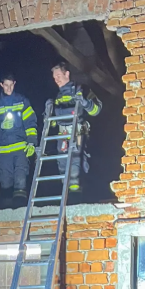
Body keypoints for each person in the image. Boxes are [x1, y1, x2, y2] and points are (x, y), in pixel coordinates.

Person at [0, 74, 39, 207]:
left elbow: (31, 124)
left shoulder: (22, 102)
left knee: (20, 180)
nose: (9, 88)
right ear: (1, 85)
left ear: (15, 83)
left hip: (21, 150)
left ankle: (20, 212)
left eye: (11, 85)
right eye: (6, 85)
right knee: (5, 183)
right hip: (4, 152)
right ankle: (7, 214)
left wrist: (32, 143)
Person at [49, 62, 102, 194]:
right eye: (54, 77)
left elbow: (96, 110)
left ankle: (78, 194)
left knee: (77, 164)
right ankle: (66, 194)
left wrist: (85, 102)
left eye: (59, 75)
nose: (57, 79)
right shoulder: (58, 97)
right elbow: (54, 124)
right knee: (62, 164)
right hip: (63, 137)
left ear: (67, 74)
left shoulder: (82, 89)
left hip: (79, 134)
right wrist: (48, 113)